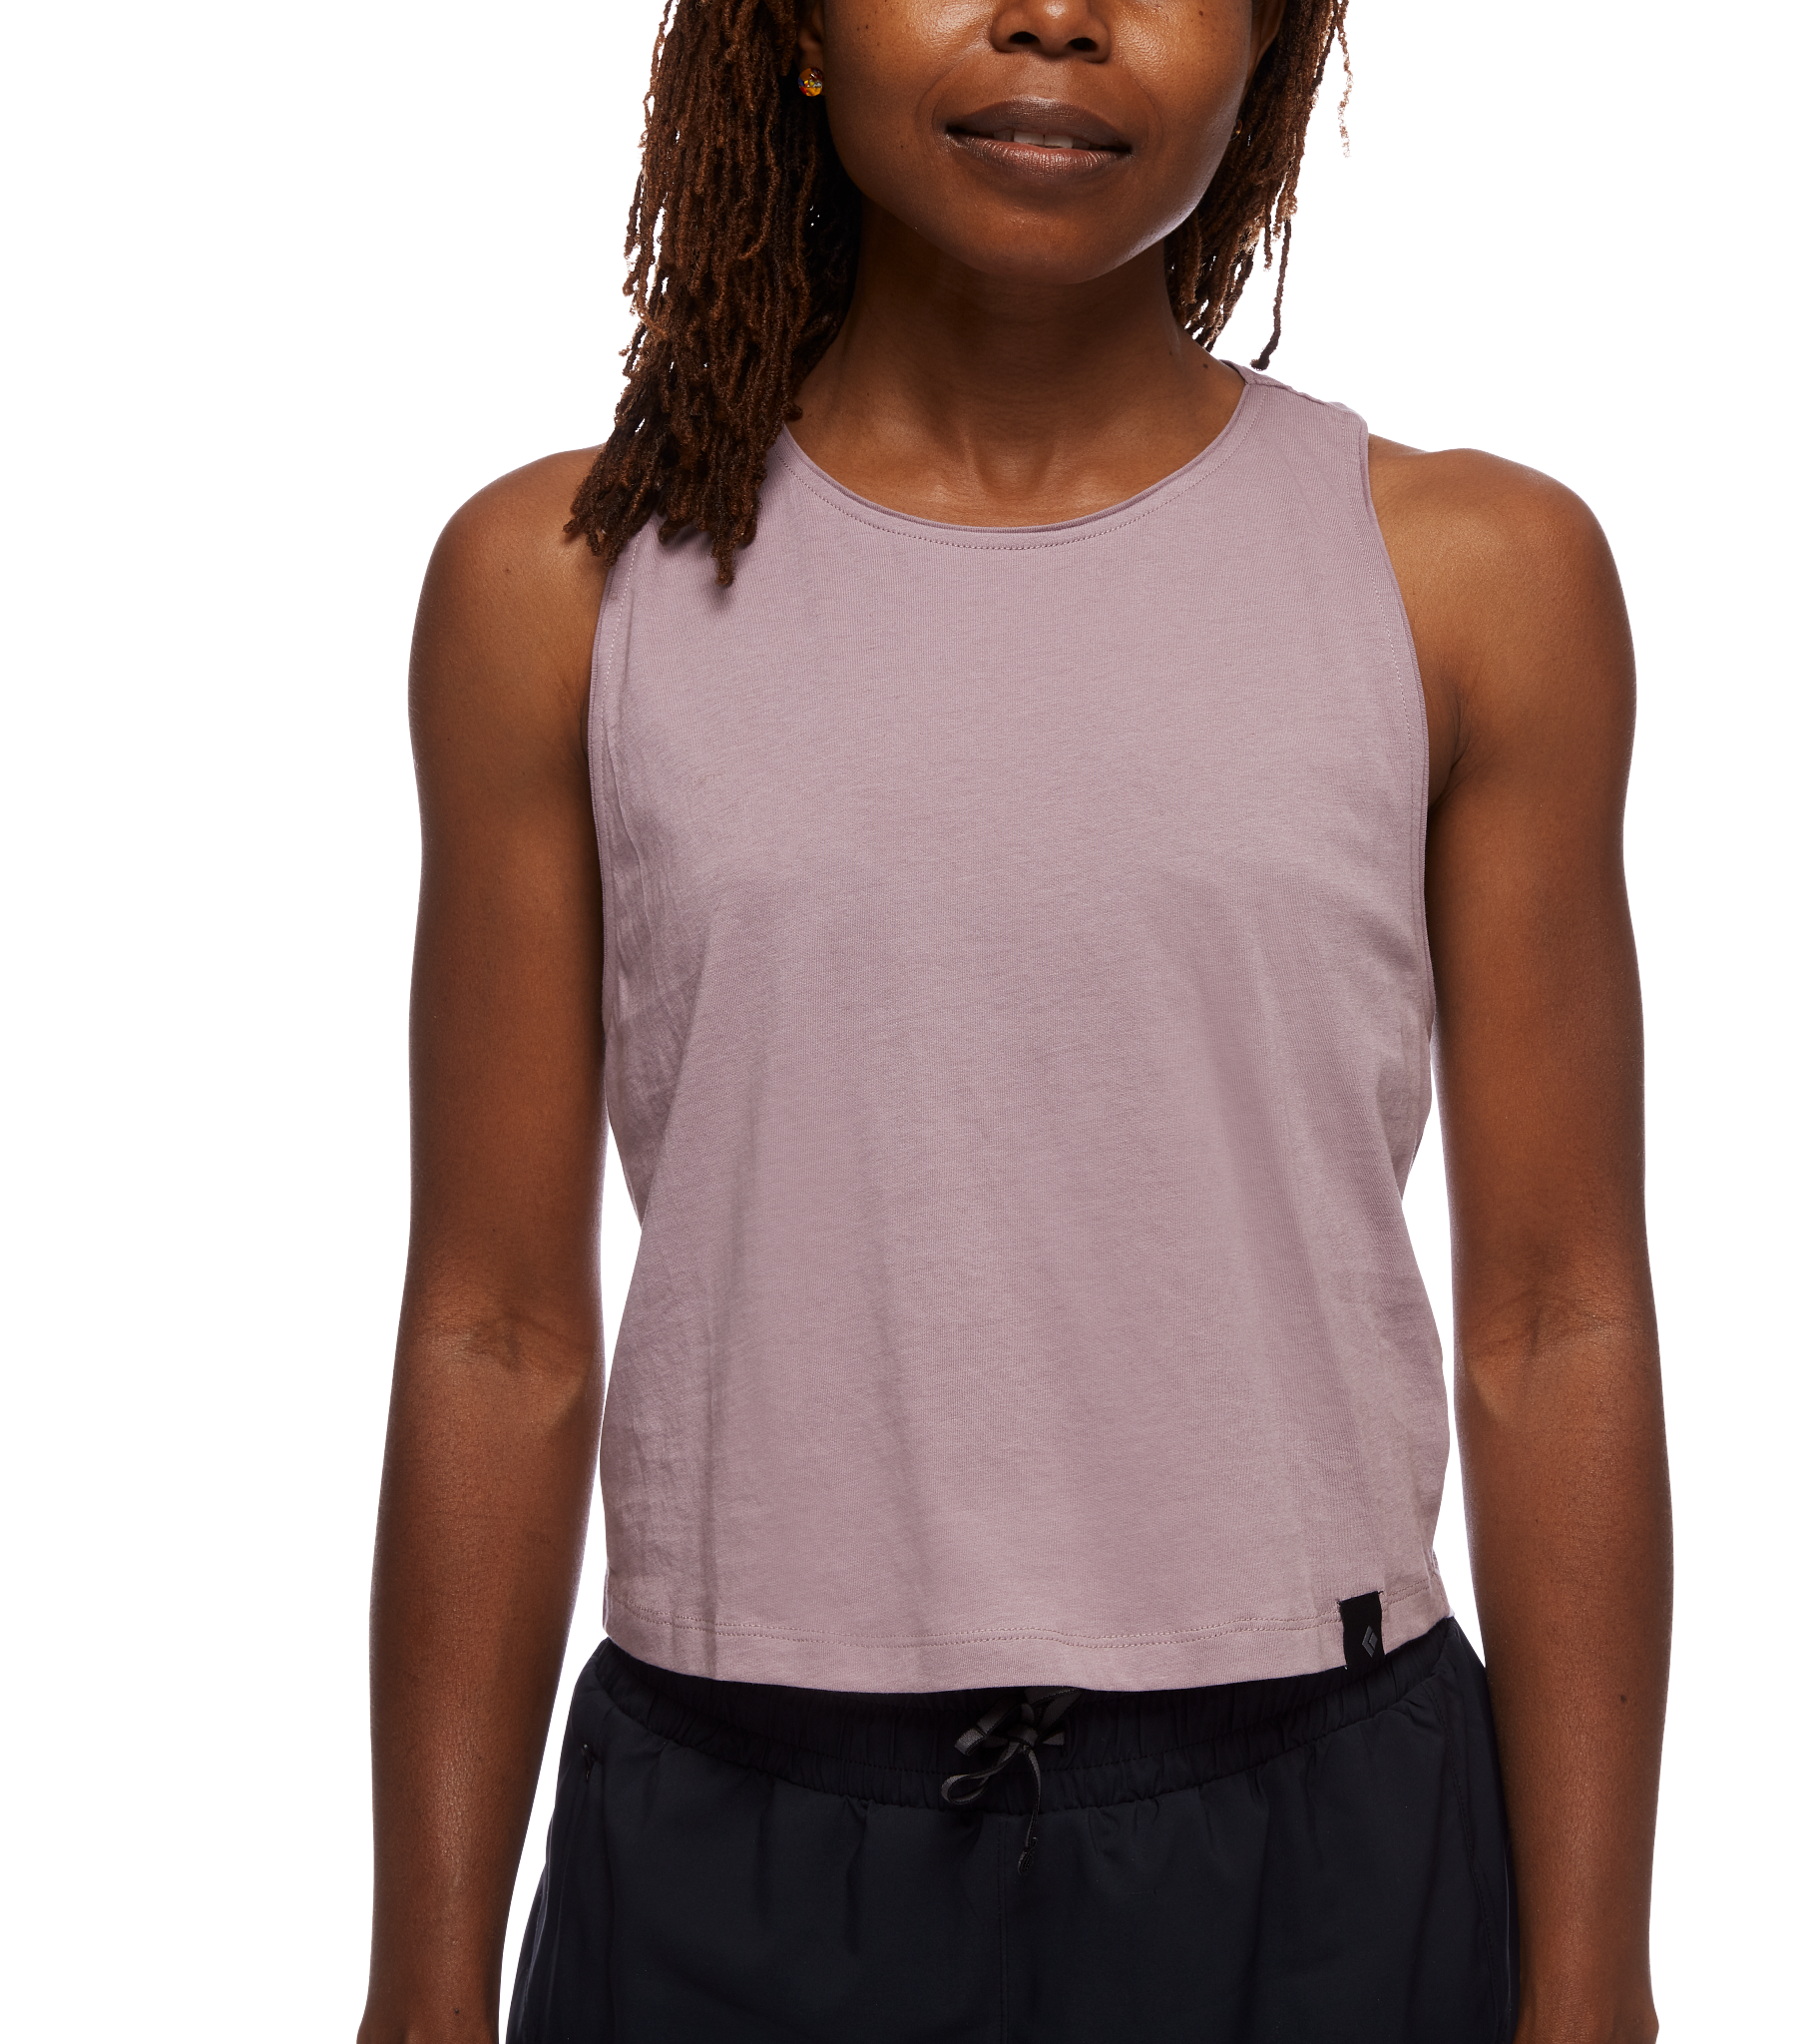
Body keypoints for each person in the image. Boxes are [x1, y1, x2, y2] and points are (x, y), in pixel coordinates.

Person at [360, 0, 1673, 2034]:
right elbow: (499, 1327)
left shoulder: (1468, 578)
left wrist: (1593, 1980)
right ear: (797, 29)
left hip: (1316, 1832)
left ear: (1271, 52)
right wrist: (421, 1986)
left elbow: (1555, 1313)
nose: (1057, 12)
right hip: (731, 1824)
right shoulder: (566, 583)